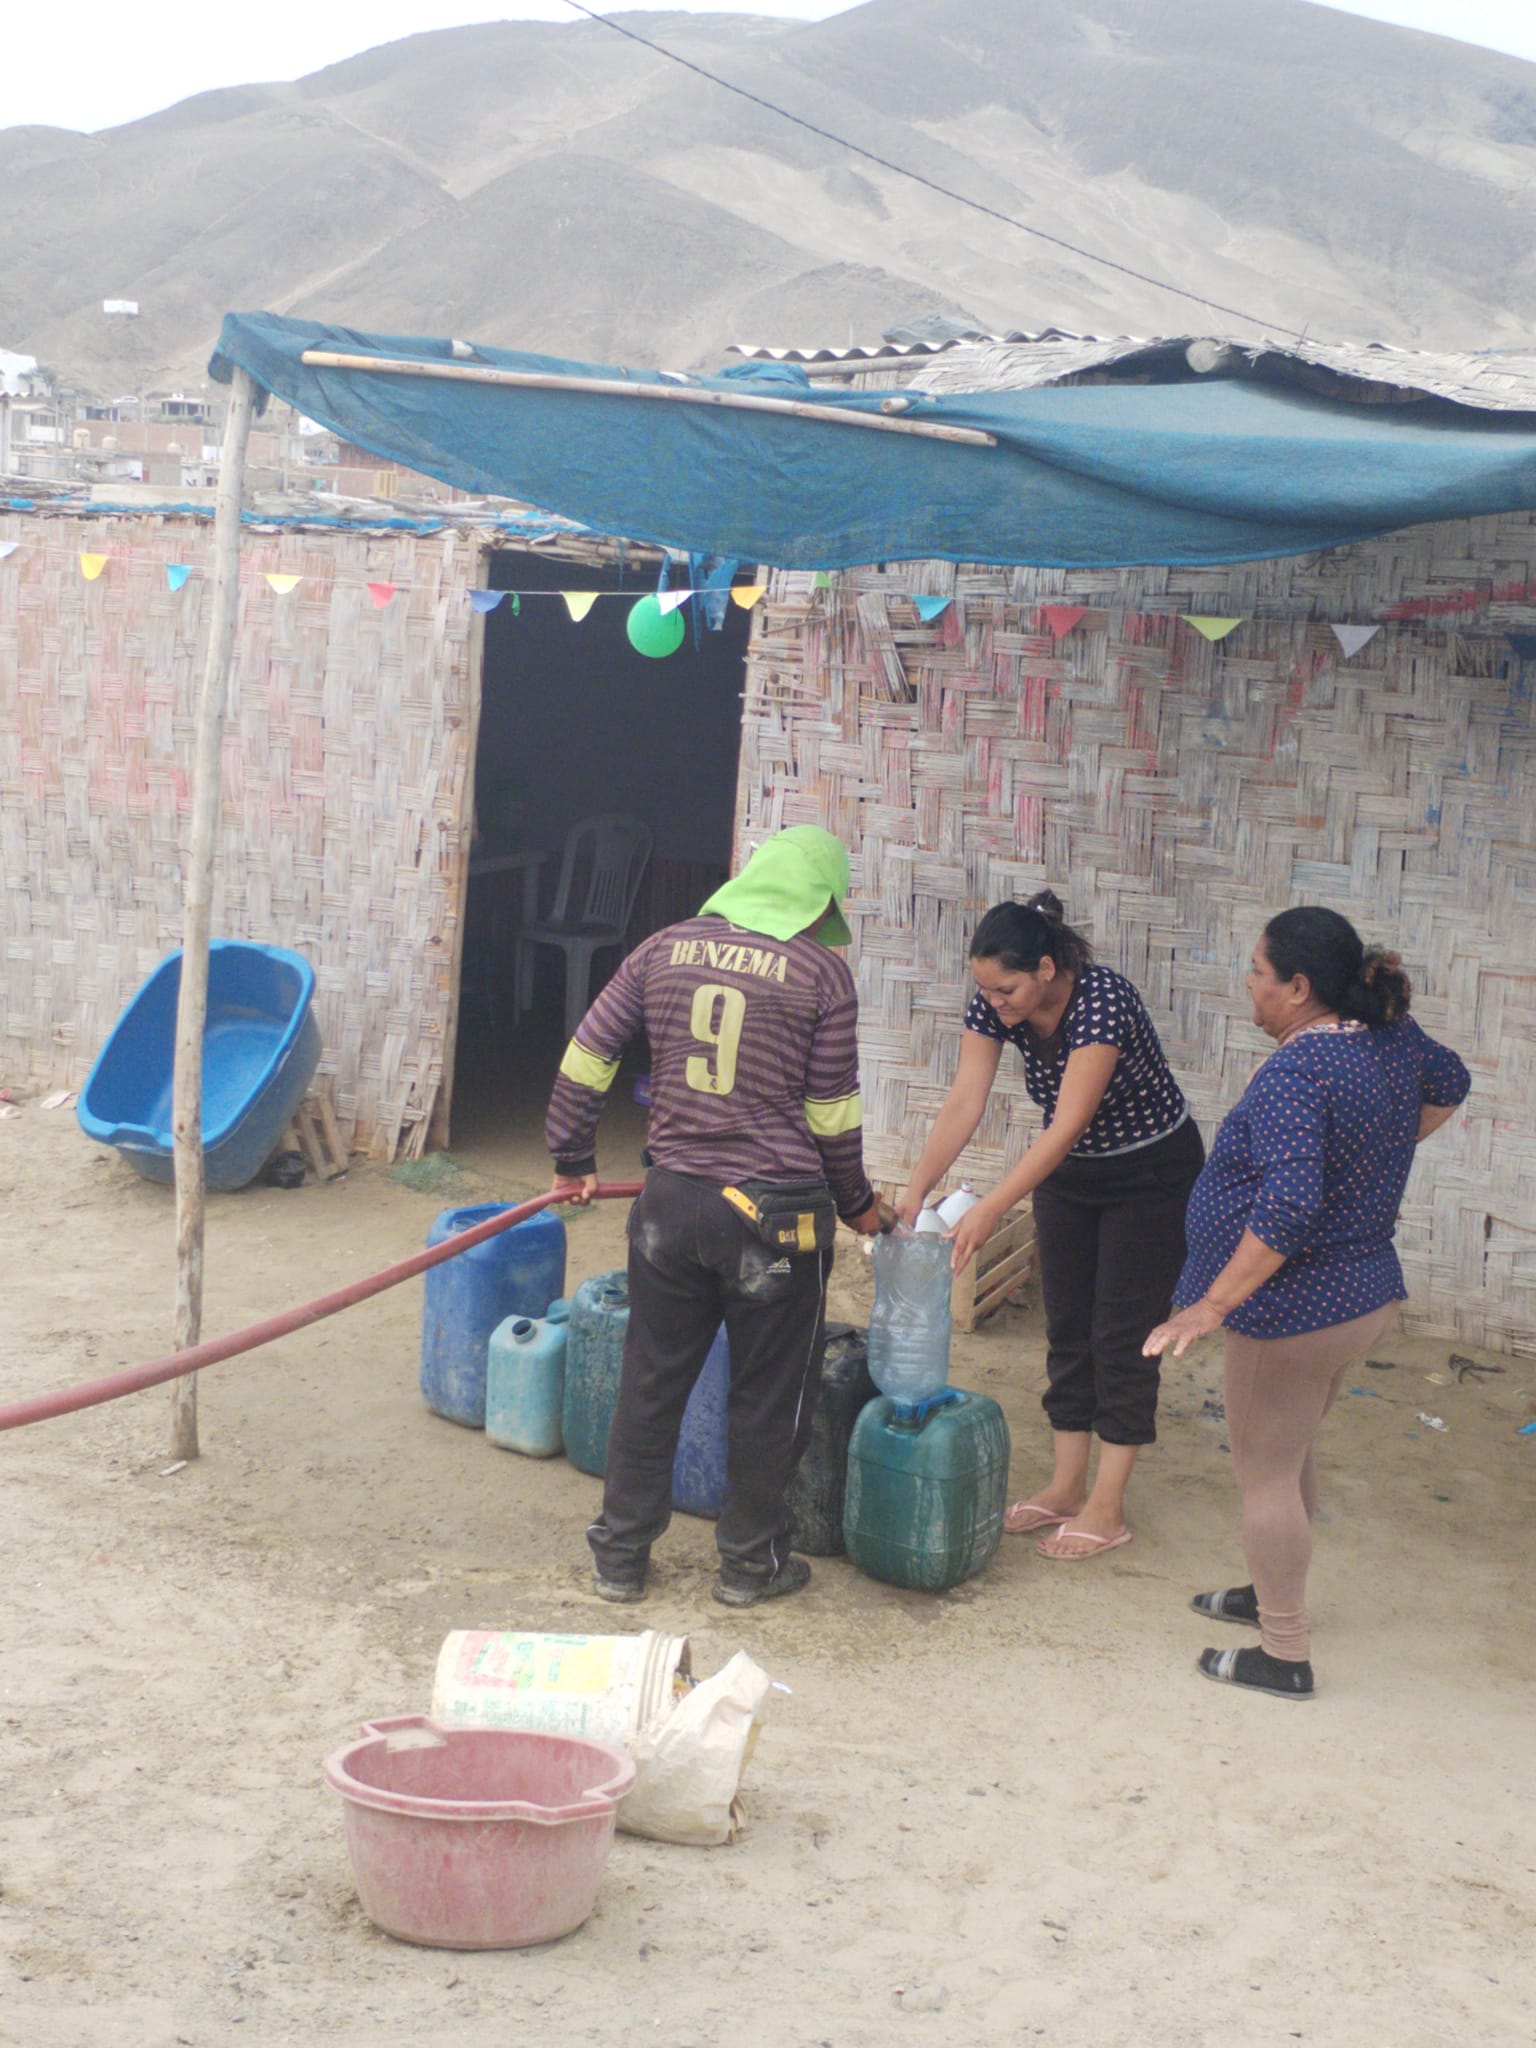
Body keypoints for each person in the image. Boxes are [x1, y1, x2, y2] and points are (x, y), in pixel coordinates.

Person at [545, 825, 889, 1609]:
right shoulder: (820, 974)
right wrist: (858, 1205)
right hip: (773, 1224)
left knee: (651, 1381)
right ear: (818, 902)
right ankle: (750, 1565)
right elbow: (833, 1116)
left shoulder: (662, 948)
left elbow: (586, 1055)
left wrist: (572, 1157)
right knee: (771, 1396)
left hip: (669, 1208)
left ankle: (620, 1558)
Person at [1144, 907, 1470, 1701]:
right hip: (1360, 1293)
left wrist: (1210, 1305)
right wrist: (1380, 1152)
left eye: (1258, 972)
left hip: (1295, 1312)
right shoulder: (1384, 1037)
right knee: (1289, 1459)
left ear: (1297, 987)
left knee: (1264, 1475)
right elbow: (1451, 1081)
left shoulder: (1299, 1071)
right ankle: (1271, 1590)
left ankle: (1283, 1653)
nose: (1248, 984)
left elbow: (1289, 1207)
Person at [900, 892, 1203, 1560]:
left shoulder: (1102, 1001)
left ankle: (1108, 1504)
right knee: (1066, 1328)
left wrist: (990, 1208)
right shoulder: (995, 998)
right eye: (986, 989)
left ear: (1044, 967)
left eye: (1006, 989)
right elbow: (965, 1098)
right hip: (1071, 1178)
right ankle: (1068, 1486)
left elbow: (1067, 1124)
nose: (996, 1003)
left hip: (1149, 1178)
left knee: (1121, 1335)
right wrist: (918, 1185)